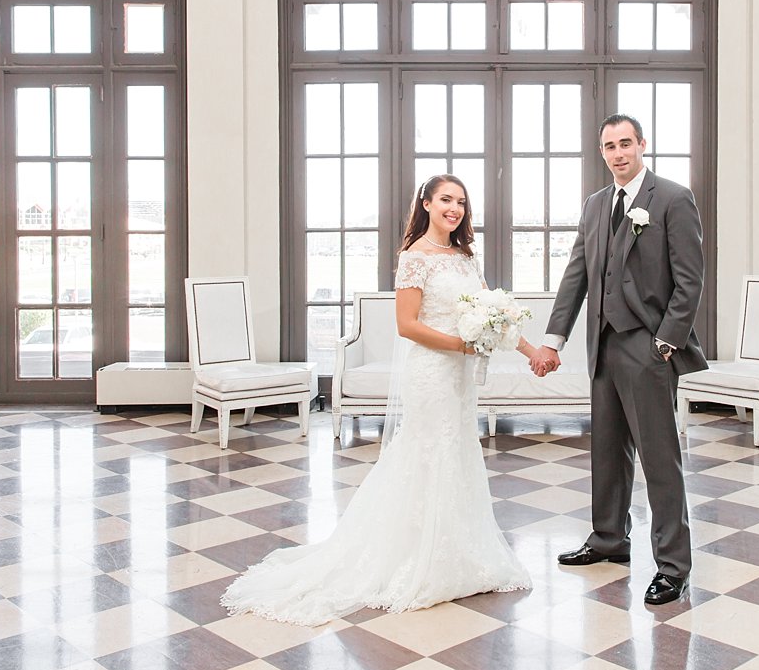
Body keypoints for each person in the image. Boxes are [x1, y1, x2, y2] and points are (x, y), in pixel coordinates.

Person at [221, 174, 552, 625]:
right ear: (427, 203)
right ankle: (417, 558)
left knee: (457, 454)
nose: (454, 208)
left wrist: (533, 352)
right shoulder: (415, 258)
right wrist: (461, 346)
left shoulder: (466, 257)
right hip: (432, 373)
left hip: (459, 378)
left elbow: (495, 317)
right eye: (445, 200)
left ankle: (458, 552)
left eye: (460, 201)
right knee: (428, 454)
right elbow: (407, 325)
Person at [536, 114, 707, 606]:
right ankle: (609, 539)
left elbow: (689, 280)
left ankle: (673, 566)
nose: (618, 153)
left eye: (625, 143)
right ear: (602, 151)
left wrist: (666, 343)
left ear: (642, 145)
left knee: (659, 460)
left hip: (648, 346)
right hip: (603, 346)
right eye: (609, 146)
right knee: (607, 451)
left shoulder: (672, 199)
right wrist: (554, 338)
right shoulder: (595, 205)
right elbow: (576, 276)